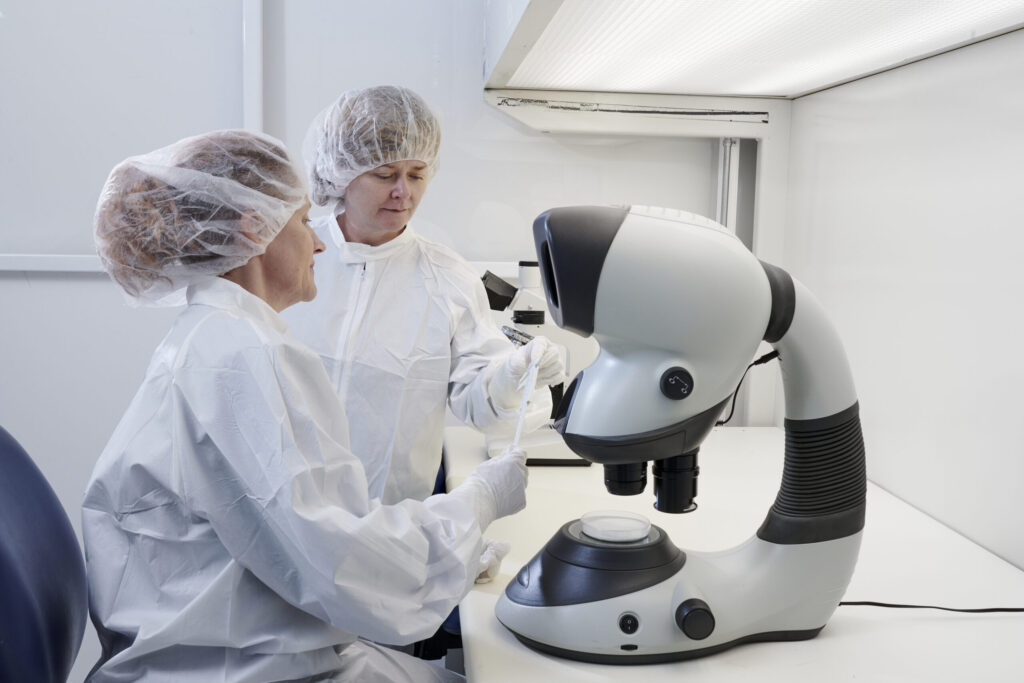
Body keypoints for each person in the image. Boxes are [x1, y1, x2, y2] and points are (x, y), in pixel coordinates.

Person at [82, 130, 529, 683]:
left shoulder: (221, 337)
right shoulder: (238, 358)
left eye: (415, 176)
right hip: (237, 666)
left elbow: (320, 533)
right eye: (301, 222)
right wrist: (475, 506)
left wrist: (441, 553)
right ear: (254, 227)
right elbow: (343, 561)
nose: (318, 243)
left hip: (248, 639)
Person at [284, 85, 564, 509]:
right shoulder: (291, 255)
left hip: (391, 522)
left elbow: (479, 404)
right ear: (341, 170)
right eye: (384, 174)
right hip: (280, 511)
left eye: (417, 174)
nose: (404, 192)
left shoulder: (448, 279)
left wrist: (511, 376)